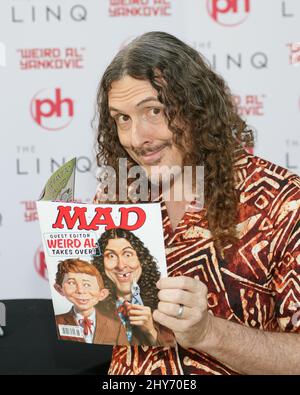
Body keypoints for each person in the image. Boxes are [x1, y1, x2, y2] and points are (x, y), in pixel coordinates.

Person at [93, 31, 300, 374]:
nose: (136, 138)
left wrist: (208, 332)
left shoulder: (284, 202)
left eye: (154, 111)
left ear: (197, 106)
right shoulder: (117, 195)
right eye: (122, 118)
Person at [92, 228, 175, 347]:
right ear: (101, 263)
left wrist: (150, 331)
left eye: (127, 254)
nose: (121, 265)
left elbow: (173, 357)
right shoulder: (92, 308)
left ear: (141, 260)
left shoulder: (165, 303)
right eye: (111, 256)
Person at [54, 258, 127, 345]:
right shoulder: (56, 322)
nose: (81, 290)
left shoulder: (116, 327)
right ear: (59, 289)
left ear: (102, 294)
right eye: (71, 283)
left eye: (87, 284)